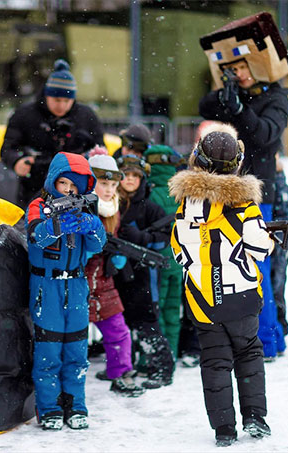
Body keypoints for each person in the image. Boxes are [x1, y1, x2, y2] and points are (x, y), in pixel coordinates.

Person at [169, 122, 274, 447]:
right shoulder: (245, 205)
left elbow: (180, 250)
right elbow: (259, 248)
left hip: (203, 298)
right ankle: (255, 417)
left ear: (197, 160)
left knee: (214, 361)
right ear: (237, 165)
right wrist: (269, 238)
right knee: (249, 355)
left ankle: (223, 429)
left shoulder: (185, 205)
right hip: (241, 294)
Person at [198, 13, 288, 360]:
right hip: (230, 190)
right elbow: (203, 106)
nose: (237, 74)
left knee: (257, 268)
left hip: (260, 193)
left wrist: (240, 109)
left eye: (241, 69)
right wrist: (227, 94)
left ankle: (267, 340)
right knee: (238, 268)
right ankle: (268, 337)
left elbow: (265, 135)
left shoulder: (276, 99)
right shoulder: (236, 93)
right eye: (233, 70)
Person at [24, 151, 106, 430]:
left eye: (75, 186)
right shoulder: (38, 205)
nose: (70, 191)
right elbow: (36, 238)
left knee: (76, 350)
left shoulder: (85, 209)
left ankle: (76, 405)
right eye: (64, 184)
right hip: (46, 287)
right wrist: (55, 225)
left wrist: (93, 226)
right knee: (48, 350)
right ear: (52, 182)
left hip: (76, 284)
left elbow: (97, 246)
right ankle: (49, 408)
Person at [1, 59, 104, 208]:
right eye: (56, 99)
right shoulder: (24, 115)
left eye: (67, 100)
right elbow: (7, 148)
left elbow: (100, 150)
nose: (62, 105)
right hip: (33, 189)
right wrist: (17, 161)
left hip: (76, 191)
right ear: (46, 95)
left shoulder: (87, 116)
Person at [85, 146, 145, 397]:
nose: (109, 190)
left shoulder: (113, 209)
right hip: (79, 281)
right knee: (73, 338)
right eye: (103, 183)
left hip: (103, 280)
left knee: (118, 332)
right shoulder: (82, 208)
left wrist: (117, 257)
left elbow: (115, 239)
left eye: (113, 185)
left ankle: (120, 373)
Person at [113, 154, 175, 389]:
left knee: (147, 321)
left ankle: (162, 367)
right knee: (123, 322)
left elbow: (166, 239)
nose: (129, 180)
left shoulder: (150, 208)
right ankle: (132, 365)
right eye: (125, 175)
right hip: (118, 274)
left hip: (144, 276)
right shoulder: (112, 204)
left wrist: (144, 238)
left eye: (134, 176)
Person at [143, 144, 184, 357]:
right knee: (173, 309)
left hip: (158, 260)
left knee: (157, 309)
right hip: (179, 260)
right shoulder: (180, 192)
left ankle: (160, 355)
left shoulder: (149, 194)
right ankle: (173, 352)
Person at [271, 154, 288, 337]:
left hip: (274, 249)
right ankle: (281, 328)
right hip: (282, 251)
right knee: (279, 290)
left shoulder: (274, 192)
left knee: (274, 291)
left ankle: (279, 329)